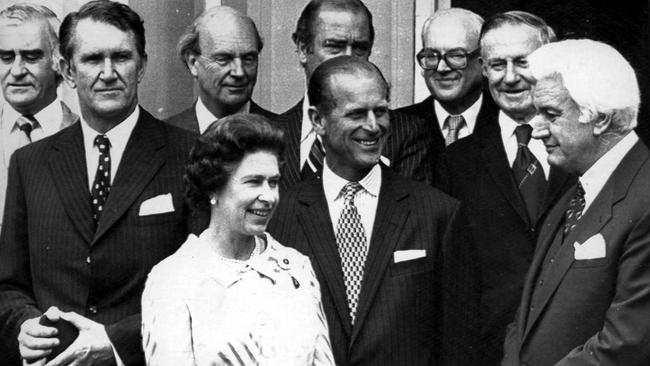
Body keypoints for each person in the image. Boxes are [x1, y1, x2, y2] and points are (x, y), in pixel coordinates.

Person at [0, 1, 195, 365]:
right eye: (92, 59)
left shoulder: (188, 155)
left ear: (142, 66)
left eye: (121, 57)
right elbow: (9, 285)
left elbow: (204, 286)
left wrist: (116, 342)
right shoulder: (30, 163)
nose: (108, 73)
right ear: (67, 70)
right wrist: (23, 325)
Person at [268, 56, 478, 366]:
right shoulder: (279, 216)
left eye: (380, 111)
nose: (373, 126)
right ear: (318, 120)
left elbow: (458, 343)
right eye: (356, 114)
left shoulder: (437, 214)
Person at [435, 11, 574, 365]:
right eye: (497, 65)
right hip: (490, 353)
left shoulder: (583, 152)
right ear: (482, 68)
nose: (510, 78)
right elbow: (453, 287)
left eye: (522, 63)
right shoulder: (456, 163)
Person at [142, 113, 334, 366]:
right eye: (253, 182)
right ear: (213, 186)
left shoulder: (296, 268)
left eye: (273, 182)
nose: (268, 196)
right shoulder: (172, 279)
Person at [502, 39, 650, 366]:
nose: (536, 130)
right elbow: (526, 317)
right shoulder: (574, 193)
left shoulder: (644, 197)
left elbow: (627, 345)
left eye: (551, 114)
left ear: (599, 118)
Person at [274, 0, 435, 191]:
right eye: (334, 46)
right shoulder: (270, 134)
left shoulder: (405, 134)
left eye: (360, 48)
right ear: (302, 49)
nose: (348, 58)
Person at [0, 3, 78, 230]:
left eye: (31, 57)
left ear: (60, 63)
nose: (16, 70)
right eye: (6, 58)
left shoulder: (87, 136)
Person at [396, 8, 498, 149]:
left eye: (456, 55)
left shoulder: (508, 121)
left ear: (483, 61)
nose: (441, 68)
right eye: (431, 56)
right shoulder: (397, 125)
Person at [166, 6, 276, 134]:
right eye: (224, 59)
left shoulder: (286, 135)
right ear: (193, 63)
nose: (239, 72)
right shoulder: (163, 136)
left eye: (248, 59)